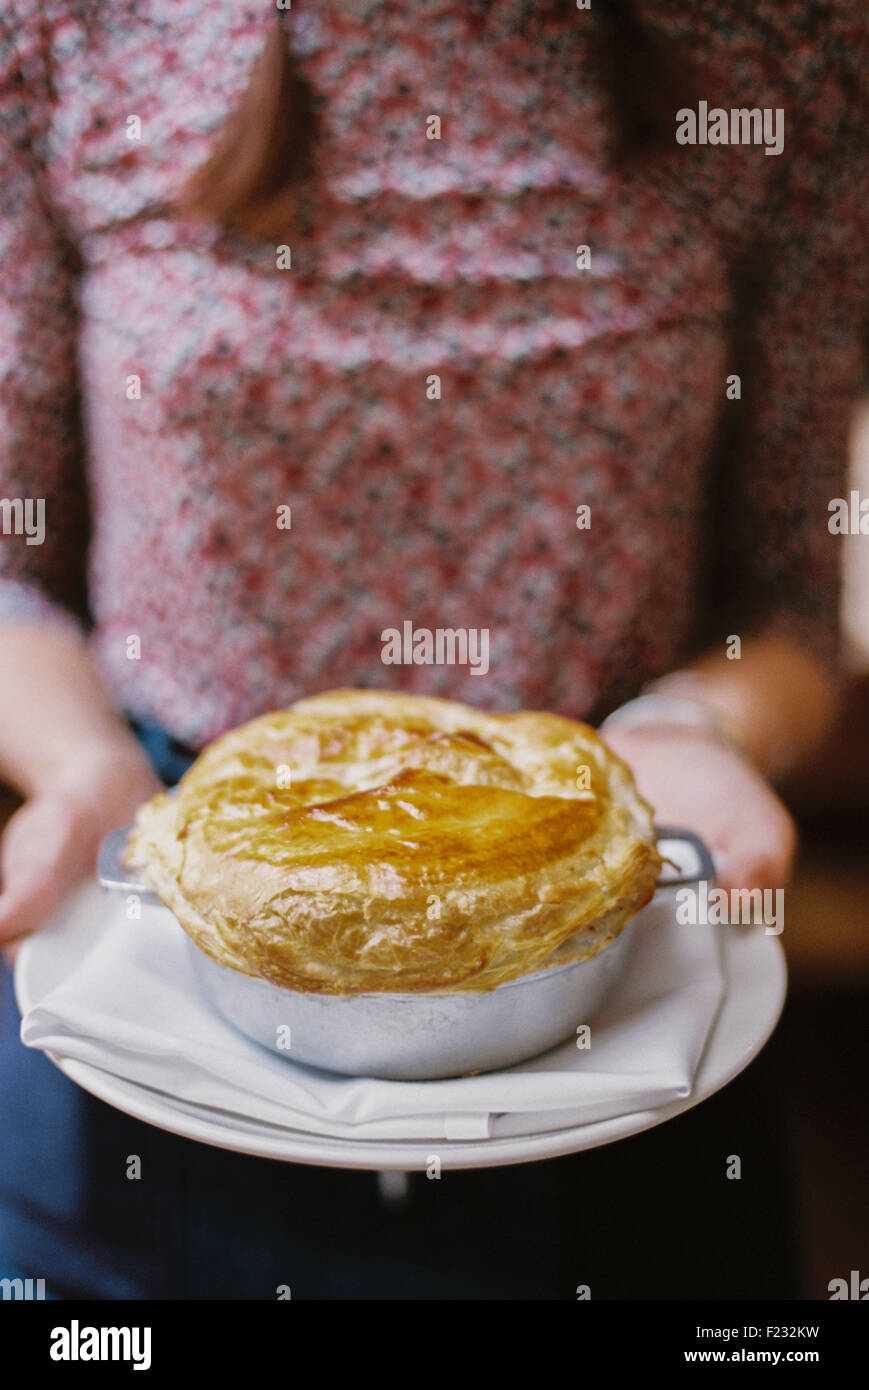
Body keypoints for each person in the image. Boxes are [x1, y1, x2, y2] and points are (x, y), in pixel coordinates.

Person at [0, 0, 864, 1299]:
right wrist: (79, 764)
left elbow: (792, 605)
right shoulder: (68, 28)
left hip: (611, 996)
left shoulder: (779, 44)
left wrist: (698, 731)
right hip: (157, 997)